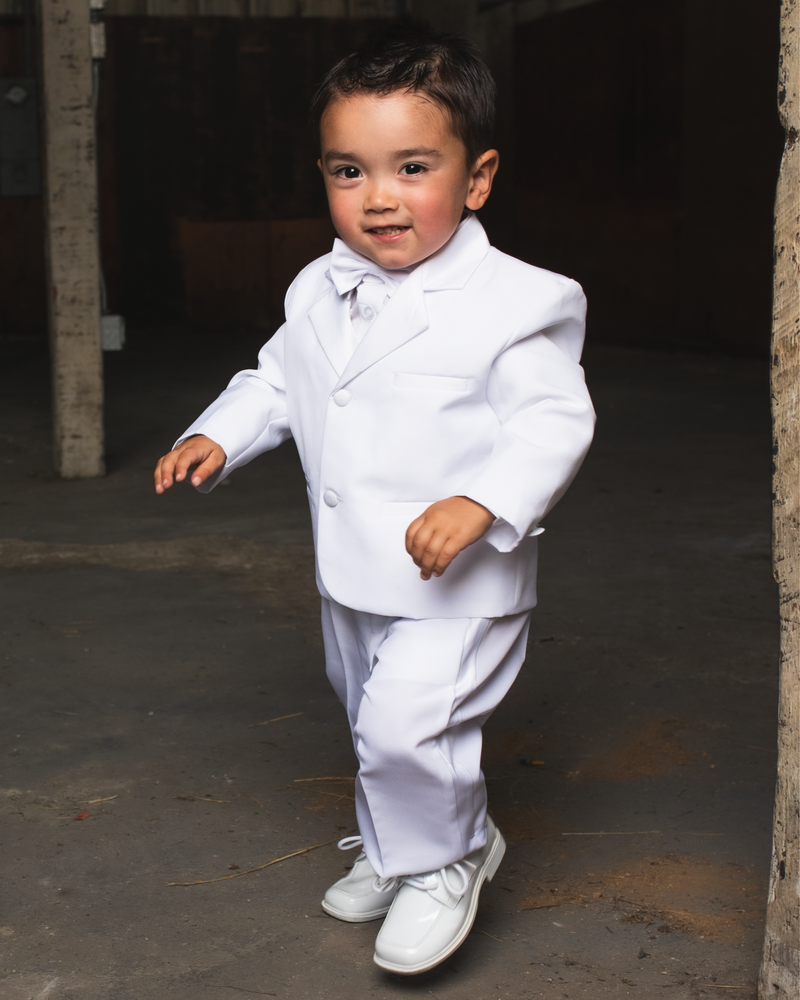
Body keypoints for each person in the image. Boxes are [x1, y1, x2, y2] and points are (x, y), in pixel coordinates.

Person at [154, 20, 594, 975]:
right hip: (350, 567)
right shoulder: (319, 284)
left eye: (411, 168)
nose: (378, 198)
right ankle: (399, 850)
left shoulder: (520, 302)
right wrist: (217, 434)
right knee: (368, 716)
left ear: (475, 180)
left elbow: (552, 425)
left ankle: (447, 859)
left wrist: (482, 500)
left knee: (409, 723)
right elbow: (279, 378)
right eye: (348, 172)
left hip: (458, 579)